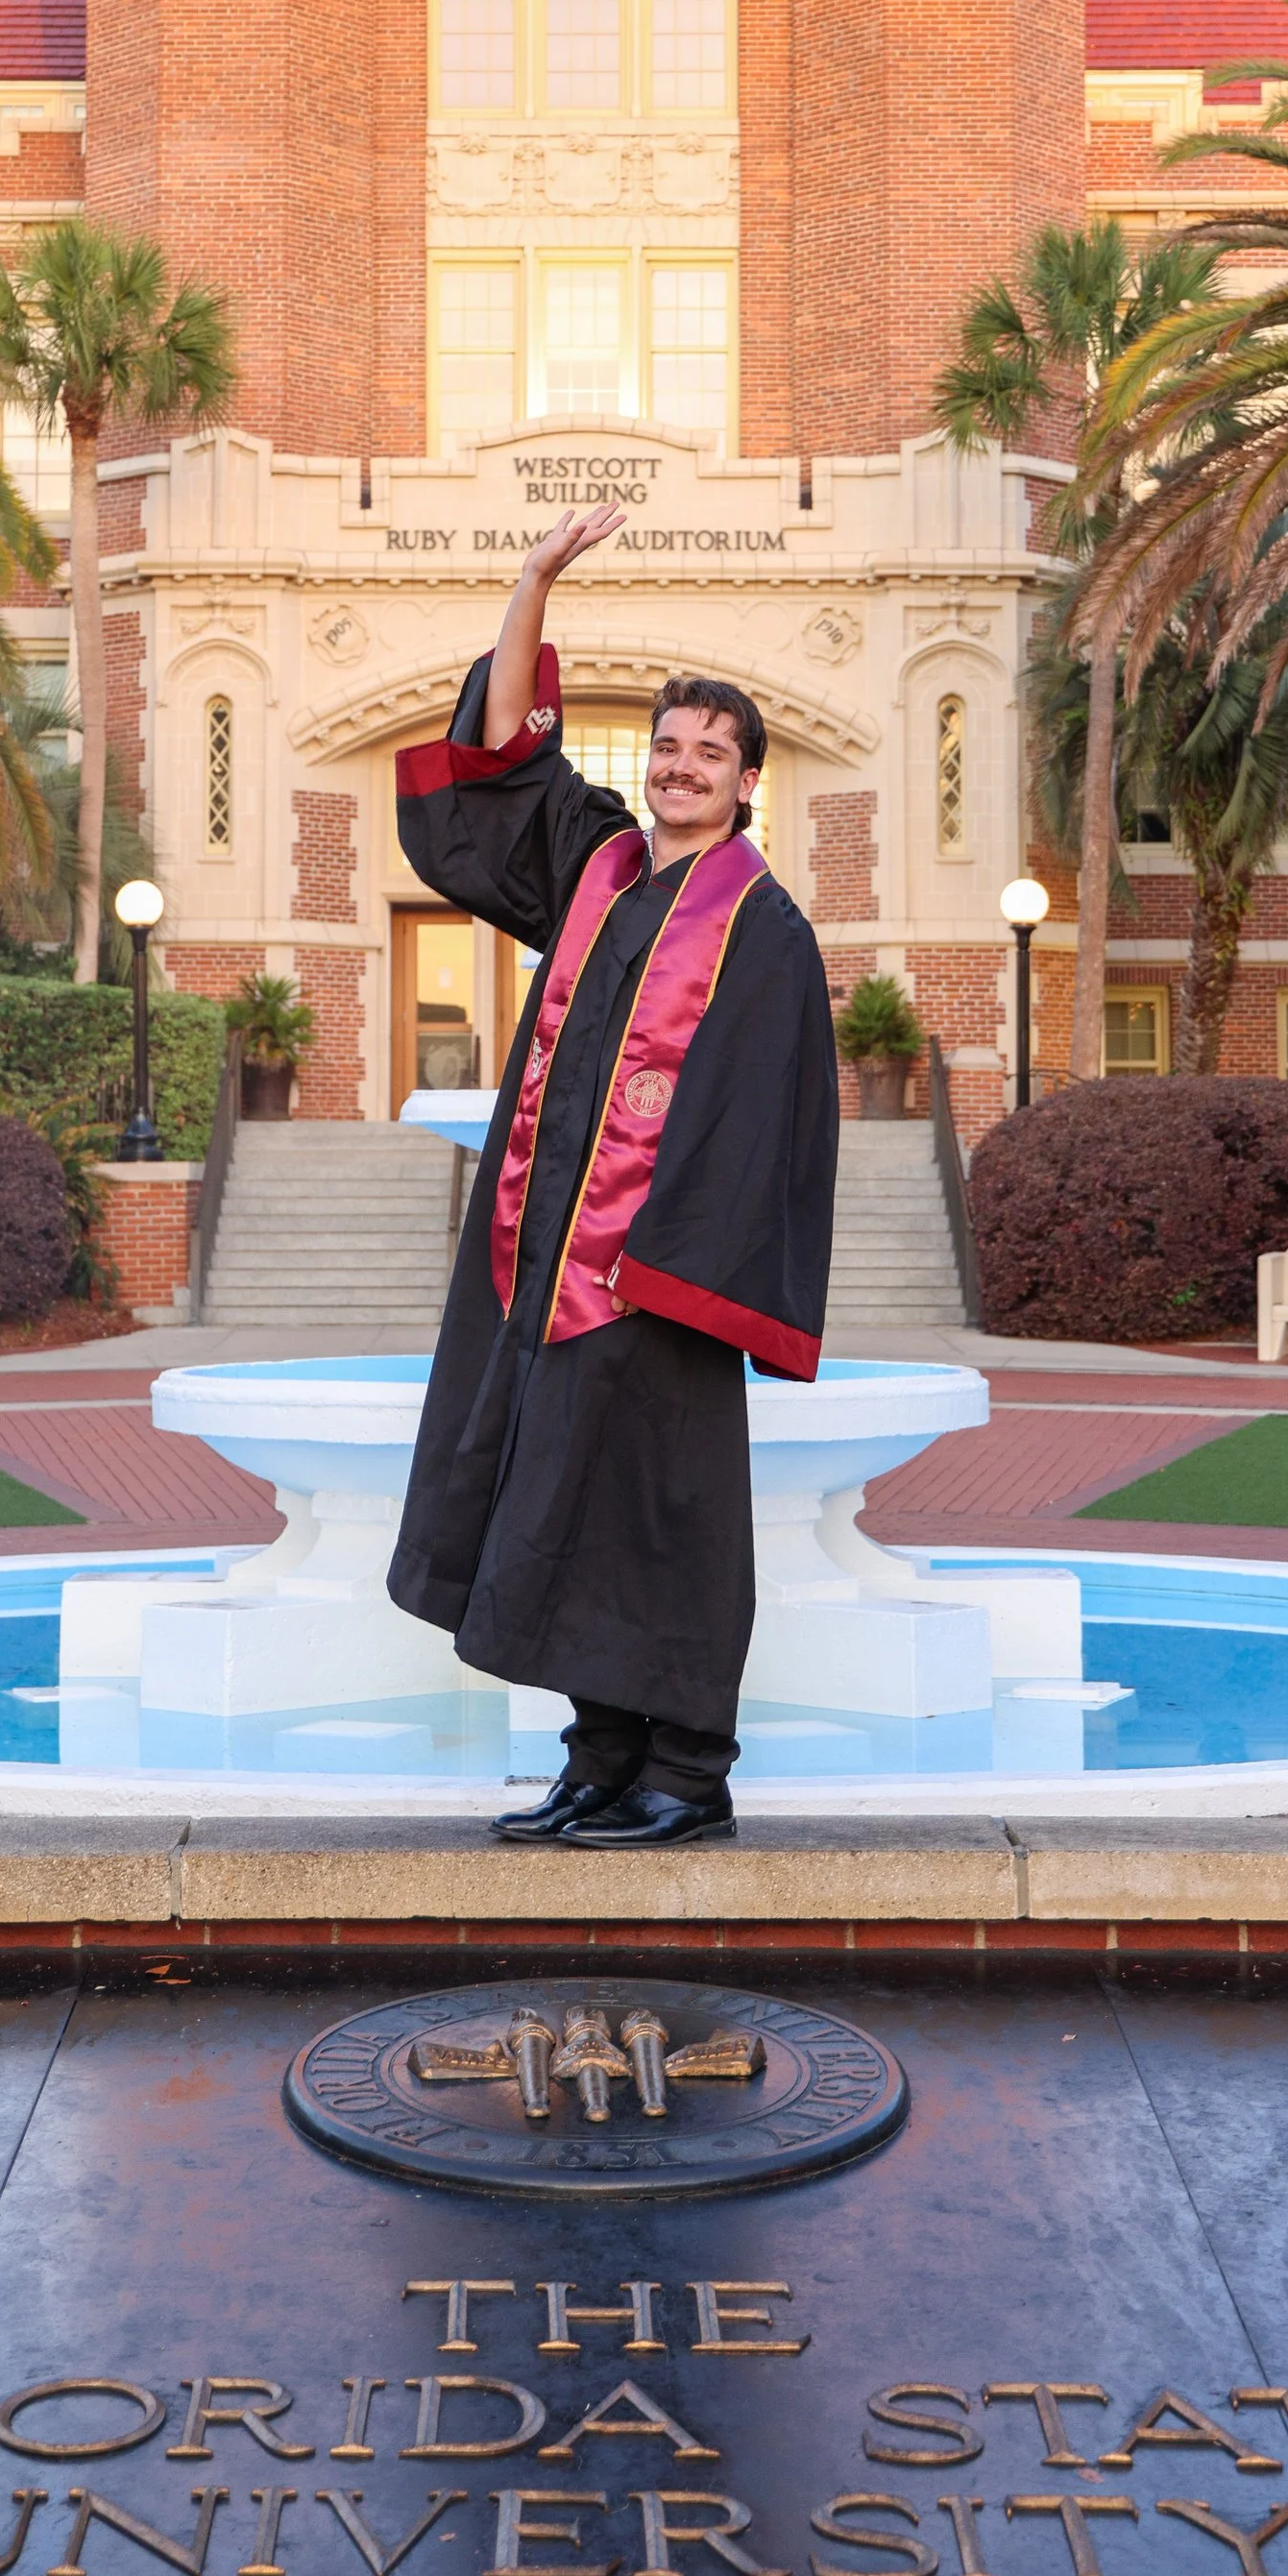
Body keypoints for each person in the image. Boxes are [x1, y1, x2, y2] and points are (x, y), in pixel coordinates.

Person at [389, 505, 838, 1848]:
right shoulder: (598, 871)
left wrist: (679, 1272)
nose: (684, 765)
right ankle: (602, 1758)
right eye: (669, 746)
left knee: (663, 1518)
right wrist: (528, 579)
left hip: (659, 1282)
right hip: (546, 1268)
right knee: (568, 1505)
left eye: (713, 752)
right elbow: (498, 756)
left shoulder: (763, 932)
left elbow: (772, 1124)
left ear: (751, 782)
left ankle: (689, 1774)